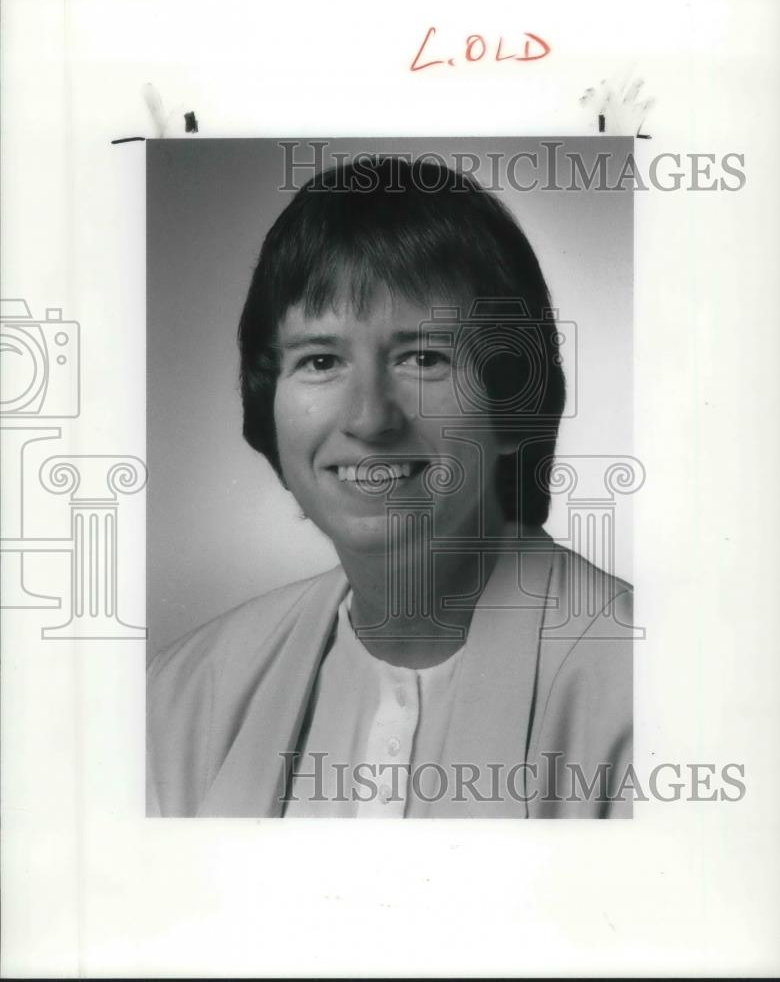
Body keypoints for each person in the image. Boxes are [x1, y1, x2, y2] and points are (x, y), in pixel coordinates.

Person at [147, 156, 633, 819]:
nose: (371, 417)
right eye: (320, 361)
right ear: (268, 408)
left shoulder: (654, 687)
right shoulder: (182, 696)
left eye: (424, 357)